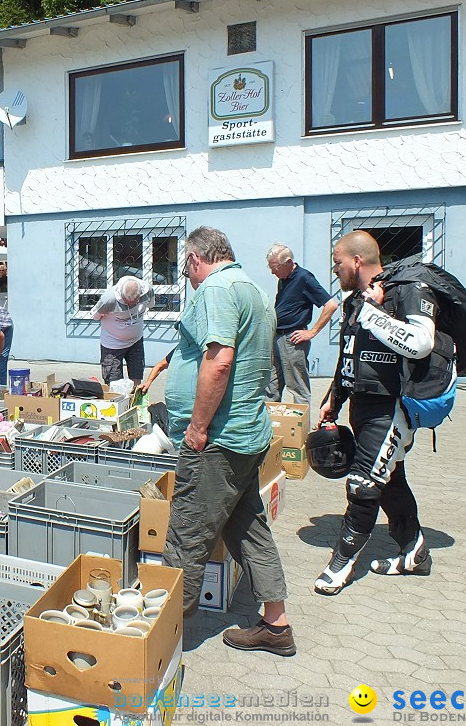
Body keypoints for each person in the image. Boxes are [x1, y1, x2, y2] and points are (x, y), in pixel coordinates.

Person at [162, 226, 295, 656]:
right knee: (248, 528)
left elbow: (219, 361)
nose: (186, 273)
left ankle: (161, 639)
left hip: (217, 440)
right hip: (245, 434)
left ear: (196, 259)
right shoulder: (253, 288)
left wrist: (198, 428)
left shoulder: (218, 289)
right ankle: (276, 624)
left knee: (187, 536)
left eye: (185, 264)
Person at [315, 230, 438, 595]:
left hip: (392, 408)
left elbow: (421, 343)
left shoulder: (407, 291)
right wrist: (333, 399)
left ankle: (341, 566)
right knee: (390, 481)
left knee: (363, 483)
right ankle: (414, 552)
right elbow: (348, 357)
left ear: (356, 261)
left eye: (337, 262)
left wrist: (374, 312)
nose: (334, 269)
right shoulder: (354, 301)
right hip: (361, 406)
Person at [265, 243, 339, 406]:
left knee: (298, 388)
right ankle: (274, 425)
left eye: (275, 268)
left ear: (289, 262)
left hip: (293, 339)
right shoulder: (283, 280)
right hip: (277, 337)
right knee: (272, 387)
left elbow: (331, 305)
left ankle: (299, 428)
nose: (272, 272)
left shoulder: (304, 278)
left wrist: (312, 332)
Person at [91, 275, 155, 384]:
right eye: (127, 303)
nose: (130, 306)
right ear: (121, 295)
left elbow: (151, 304)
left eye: (134, 303)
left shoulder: (148, 291)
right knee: (113, 383)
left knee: (137, 378)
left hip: (135, 341)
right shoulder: (109, 300)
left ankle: (134, 400)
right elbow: (95, 316)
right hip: (112, 344)